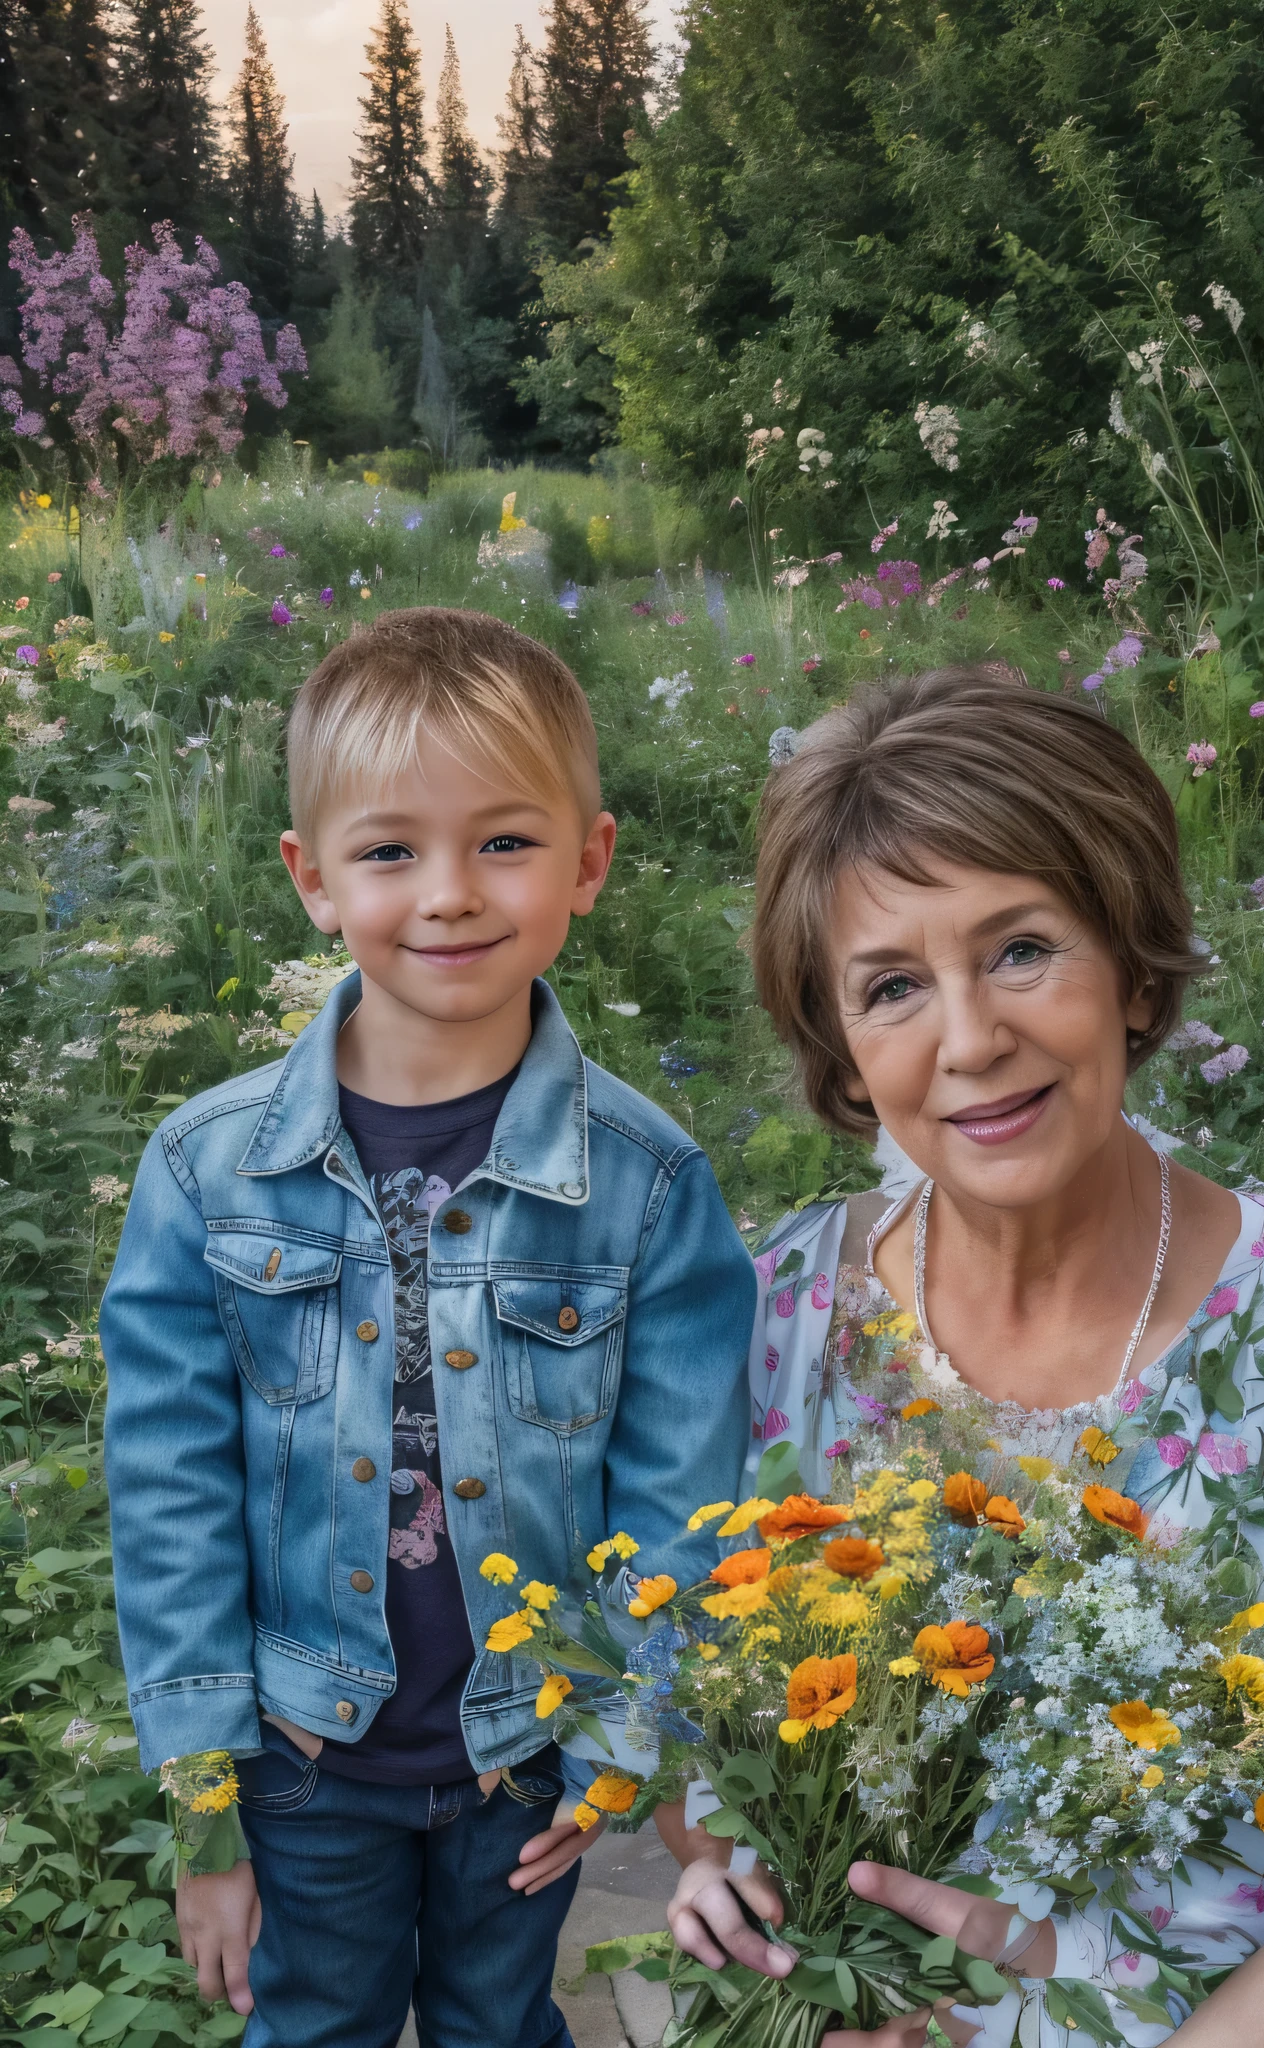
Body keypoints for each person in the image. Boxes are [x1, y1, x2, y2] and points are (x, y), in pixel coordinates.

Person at [663, 665, 1264, 2046]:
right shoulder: (781, 1315)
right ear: (840, 1043)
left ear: (1132, 967)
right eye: (892, 986)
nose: (970, 1039)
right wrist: (746, 1893)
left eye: (1021, 949)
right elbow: (711, 1726)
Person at [101, 607, 755, 2048]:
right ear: (312, 880)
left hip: (528, 1752)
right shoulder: (208, 1173)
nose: (449, 894)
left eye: (505, 843)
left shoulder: (646, 1186)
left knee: (498, 2024)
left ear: (588, 859)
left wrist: (623, 1737)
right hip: (299, 1750)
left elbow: (681, 1492)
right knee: (316, 2025)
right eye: (390, 850)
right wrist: (206, 1812)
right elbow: (168, 1489)